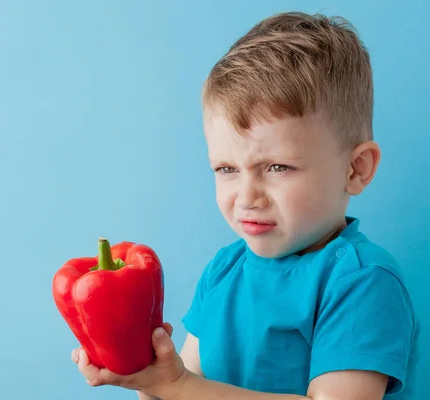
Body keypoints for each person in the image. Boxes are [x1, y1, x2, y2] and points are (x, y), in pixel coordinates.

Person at [71, 11, 419, 400]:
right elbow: (179, 391)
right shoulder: (224, 270)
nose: (247, 196)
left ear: (355, 169)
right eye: (226, 168)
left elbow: (188, 389)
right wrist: (146, 375)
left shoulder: (362, 281)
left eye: (277, 167)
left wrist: (179, 385)